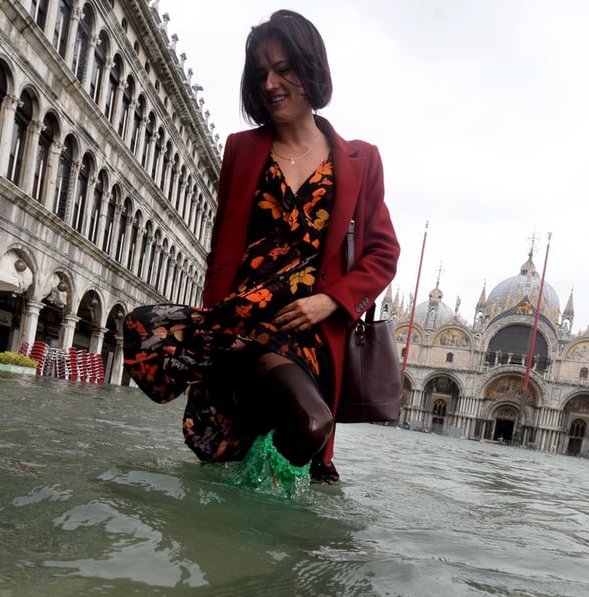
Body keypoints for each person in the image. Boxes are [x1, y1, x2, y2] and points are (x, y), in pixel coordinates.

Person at [123, 10, 399, 486]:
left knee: (310, 425)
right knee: (144, 329)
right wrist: (216, 313)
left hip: (307, 328)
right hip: (242, 320)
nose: (271, 84)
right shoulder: (241, 148)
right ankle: (247, 505)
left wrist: (329, 301)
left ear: (311, 69)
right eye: (261, 73)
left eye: (284, 69)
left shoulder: (360, 159)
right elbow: (223, 246)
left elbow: (383, 252)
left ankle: (265, 496)